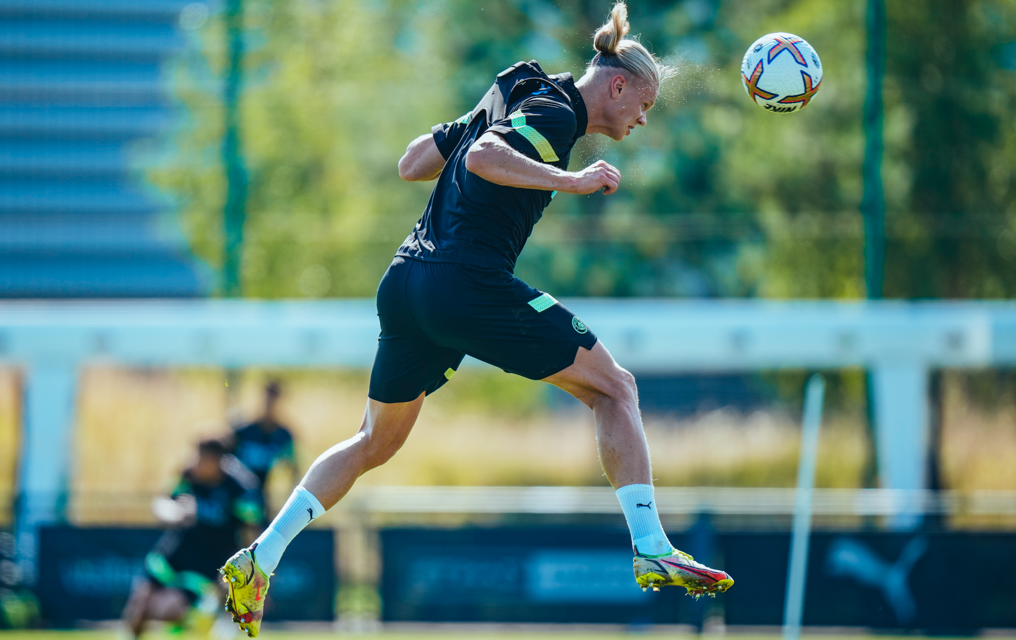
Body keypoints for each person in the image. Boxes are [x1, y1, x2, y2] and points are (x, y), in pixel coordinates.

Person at [221, 4, 732, 635]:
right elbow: (487, 156)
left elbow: (413, 162)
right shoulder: (555, 112)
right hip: (464, 284)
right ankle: (652, 543)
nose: (643, 118)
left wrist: (470, 126)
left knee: (374, 441)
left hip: (405, 281)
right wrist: (569, 181)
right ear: (618, 84)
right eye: (644, 103)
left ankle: (259, 559)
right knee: (616, 388)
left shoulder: (519, 91)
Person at [123, 439, 261, 638]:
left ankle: (201, 619)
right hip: (173, 553)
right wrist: (175, 512)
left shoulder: (239, 488)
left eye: (203, 458)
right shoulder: (188, 474)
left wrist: (246, 568)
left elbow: (252, 529)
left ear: (219, 461)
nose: (197, 462)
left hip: (207, 564)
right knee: (139, 605)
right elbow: (162, 503)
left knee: (171, 610)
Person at [227, 381, 300, 524]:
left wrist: (290, 501)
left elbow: (293, 467)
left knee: (256, 531)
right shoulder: (243, 430)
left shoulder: (283, 435)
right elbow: (225, 458)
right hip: (233, 491)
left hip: (259, 494)